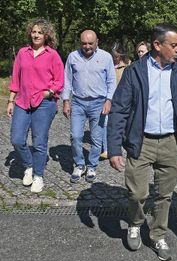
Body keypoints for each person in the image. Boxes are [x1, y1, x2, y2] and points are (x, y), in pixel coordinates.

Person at [108, 23, 177, 261]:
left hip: (169, 143)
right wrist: (114, 148)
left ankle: (157, 235)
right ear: (158, 45)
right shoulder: (135, 71)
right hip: (140, 141)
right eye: (174, 45)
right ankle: (135, 223)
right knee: (137, 193)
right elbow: (119, 110)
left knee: (165, 195)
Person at [7, 18, 64, 193]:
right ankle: (29, 165)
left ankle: (38, 176)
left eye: (40, 32)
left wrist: (48, 93)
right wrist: (10, 101)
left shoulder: (52, 54)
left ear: (46, 35)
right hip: (23, 102)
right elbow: (16, 78)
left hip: (44, 104)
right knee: (16, 139)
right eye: (34, 31)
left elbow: (59, 81)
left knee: (39, 142)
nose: (36, 35)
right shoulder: (22, 53)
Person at [62, 29, 116, 183]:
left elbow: (112, 81)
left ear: (97, 42)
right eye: (84, 43)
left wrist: (109, 100)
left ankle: (92, 165)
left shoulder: (106, 57)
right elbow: (67, 80)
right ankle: (79, 164)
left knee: (96, 138)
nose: (87, 46)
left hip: (98, 102)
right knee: (76, 136)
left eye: (90, 43)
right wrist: (66, 100)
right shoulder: (73, 57)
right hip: (78, 102)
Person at [99, 42, 130, 159]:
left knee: (120, 123)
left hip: (121, 99)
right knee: (105, 123)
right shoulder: (107, 64)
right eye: (113, 55)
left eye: (117, 56)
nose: (115, 58)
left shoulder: (127, 66)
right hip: (107, 97)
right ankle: (106, 149)